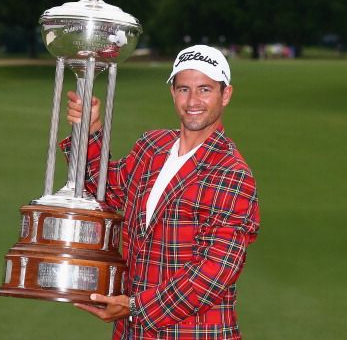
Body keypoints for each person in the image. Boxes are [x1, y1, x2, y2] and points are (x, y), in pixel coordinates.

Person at [62, 45, 260, 340]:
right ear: (173, 93)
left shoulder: (231, 173)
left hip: (193, 333)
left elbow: (212, 274)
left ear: (226, 94)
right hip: (133, 331)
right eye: (184, 89)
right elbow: (100, 188)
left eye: (205, 89)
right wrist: (89, 131)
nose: (193, 100)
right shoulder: (152, 147)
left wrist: (134, 308)